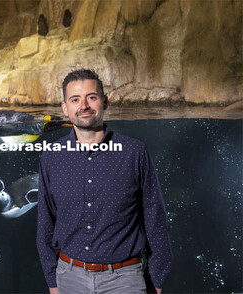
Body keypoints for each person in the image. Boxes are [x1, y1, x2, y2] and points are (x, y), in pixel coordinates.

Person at [37, 69, 172, 294]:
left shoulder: (134, 152)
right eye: (75, 99)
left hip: (125, 280)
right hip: (68, 279)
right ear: (65, 108)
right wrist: (52, 280)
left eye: (91, 97)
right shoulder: (51, 156)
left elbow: (155, 219)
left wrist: (156, 280)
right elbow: (45, 222)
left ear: (104, 102)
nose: (84, 105)